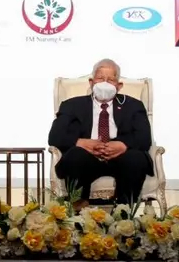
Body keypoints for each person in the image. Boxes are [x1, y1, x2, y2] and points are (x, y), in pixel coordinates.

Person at [48, 58, 153, 209]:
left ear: (119, 86)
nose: (105, 83)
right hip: (87, 158)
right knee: (76, 155)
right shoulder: (71, 105)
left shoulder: (133, 105)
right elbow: (55, 136)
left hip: (121, 157)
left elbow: (144, 137)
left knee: (136, 158)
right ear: (91, 82)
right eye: (100, 78)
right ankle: (79, 208)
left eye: (110, 80)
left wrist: (123, 145)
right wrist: (81, 142)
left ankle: (123, 211)